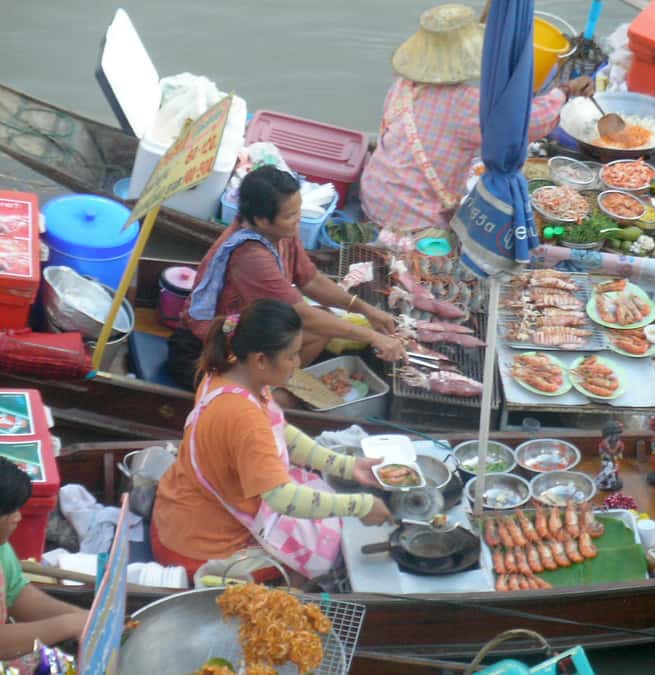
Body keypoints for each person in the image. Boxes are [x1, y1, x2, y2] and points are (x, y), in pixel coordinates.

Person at [152, 299, 393, 581]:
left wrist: (347, 466)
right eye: (292, 356)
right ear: (261, 360)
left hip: (178, 514)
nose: (298, 363)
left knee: (321, 502)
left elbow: (280, 431)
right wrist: (359, 506)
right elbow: (282, 498)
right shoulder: (244, 418)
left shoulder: (230, 373)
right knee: (332, 552)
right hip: (198, 548)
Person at [360, 3, 595, 236]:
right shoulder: (464, 104)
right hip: (410, 219)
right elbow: (527, 122)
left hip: (374, 196)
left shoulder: (402, 85)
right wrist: (564, 91)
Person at [166, 165, 404, 390]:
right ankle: (271, 392)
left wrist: (366, 310)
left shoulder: (281, 232)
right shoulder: (251, 257)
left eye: (298, 211)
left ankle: (278, 381)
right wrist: (372, 336)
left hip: (248, 329)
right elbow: (301, 314)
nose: (298, 219)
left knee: (325, 324)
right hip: (207, 350)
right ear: (261, 220)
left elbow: (310, 280)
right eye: (291, 215)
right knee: (313, 329)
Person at [0, 457, 88, 661]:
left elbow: (17, 595)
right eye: (9, 512)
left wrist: (81, 617)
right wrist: (68, 625)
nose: (18, 518)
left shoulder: (2, 547)